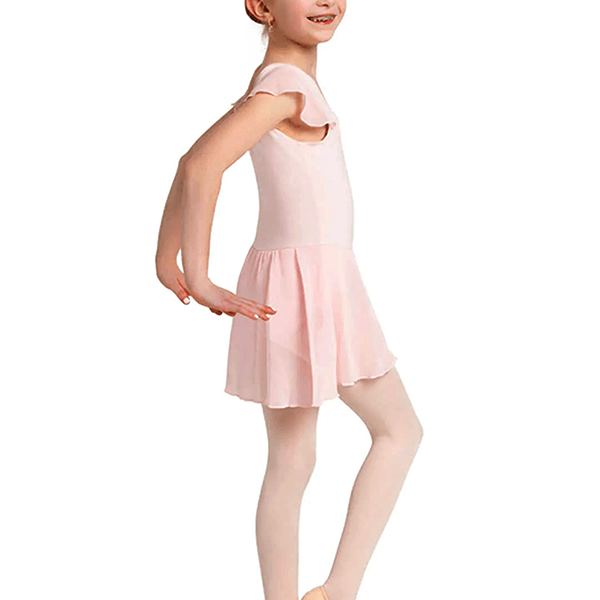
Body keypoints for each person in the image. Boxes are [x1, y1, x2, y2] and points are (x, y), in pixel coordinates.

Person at [155, 1, 424, 599]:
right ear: (261, 7)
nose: (326, 1)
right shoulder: (286, 89)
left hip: (289, 281)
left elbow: (189, 163)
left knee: (293, 457)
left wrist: (165, 255)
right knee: (399, 431)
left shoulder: (271, 82)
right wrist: (197, 274)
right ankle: (337, 592)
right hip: (310, 285)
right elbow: (201, 168)